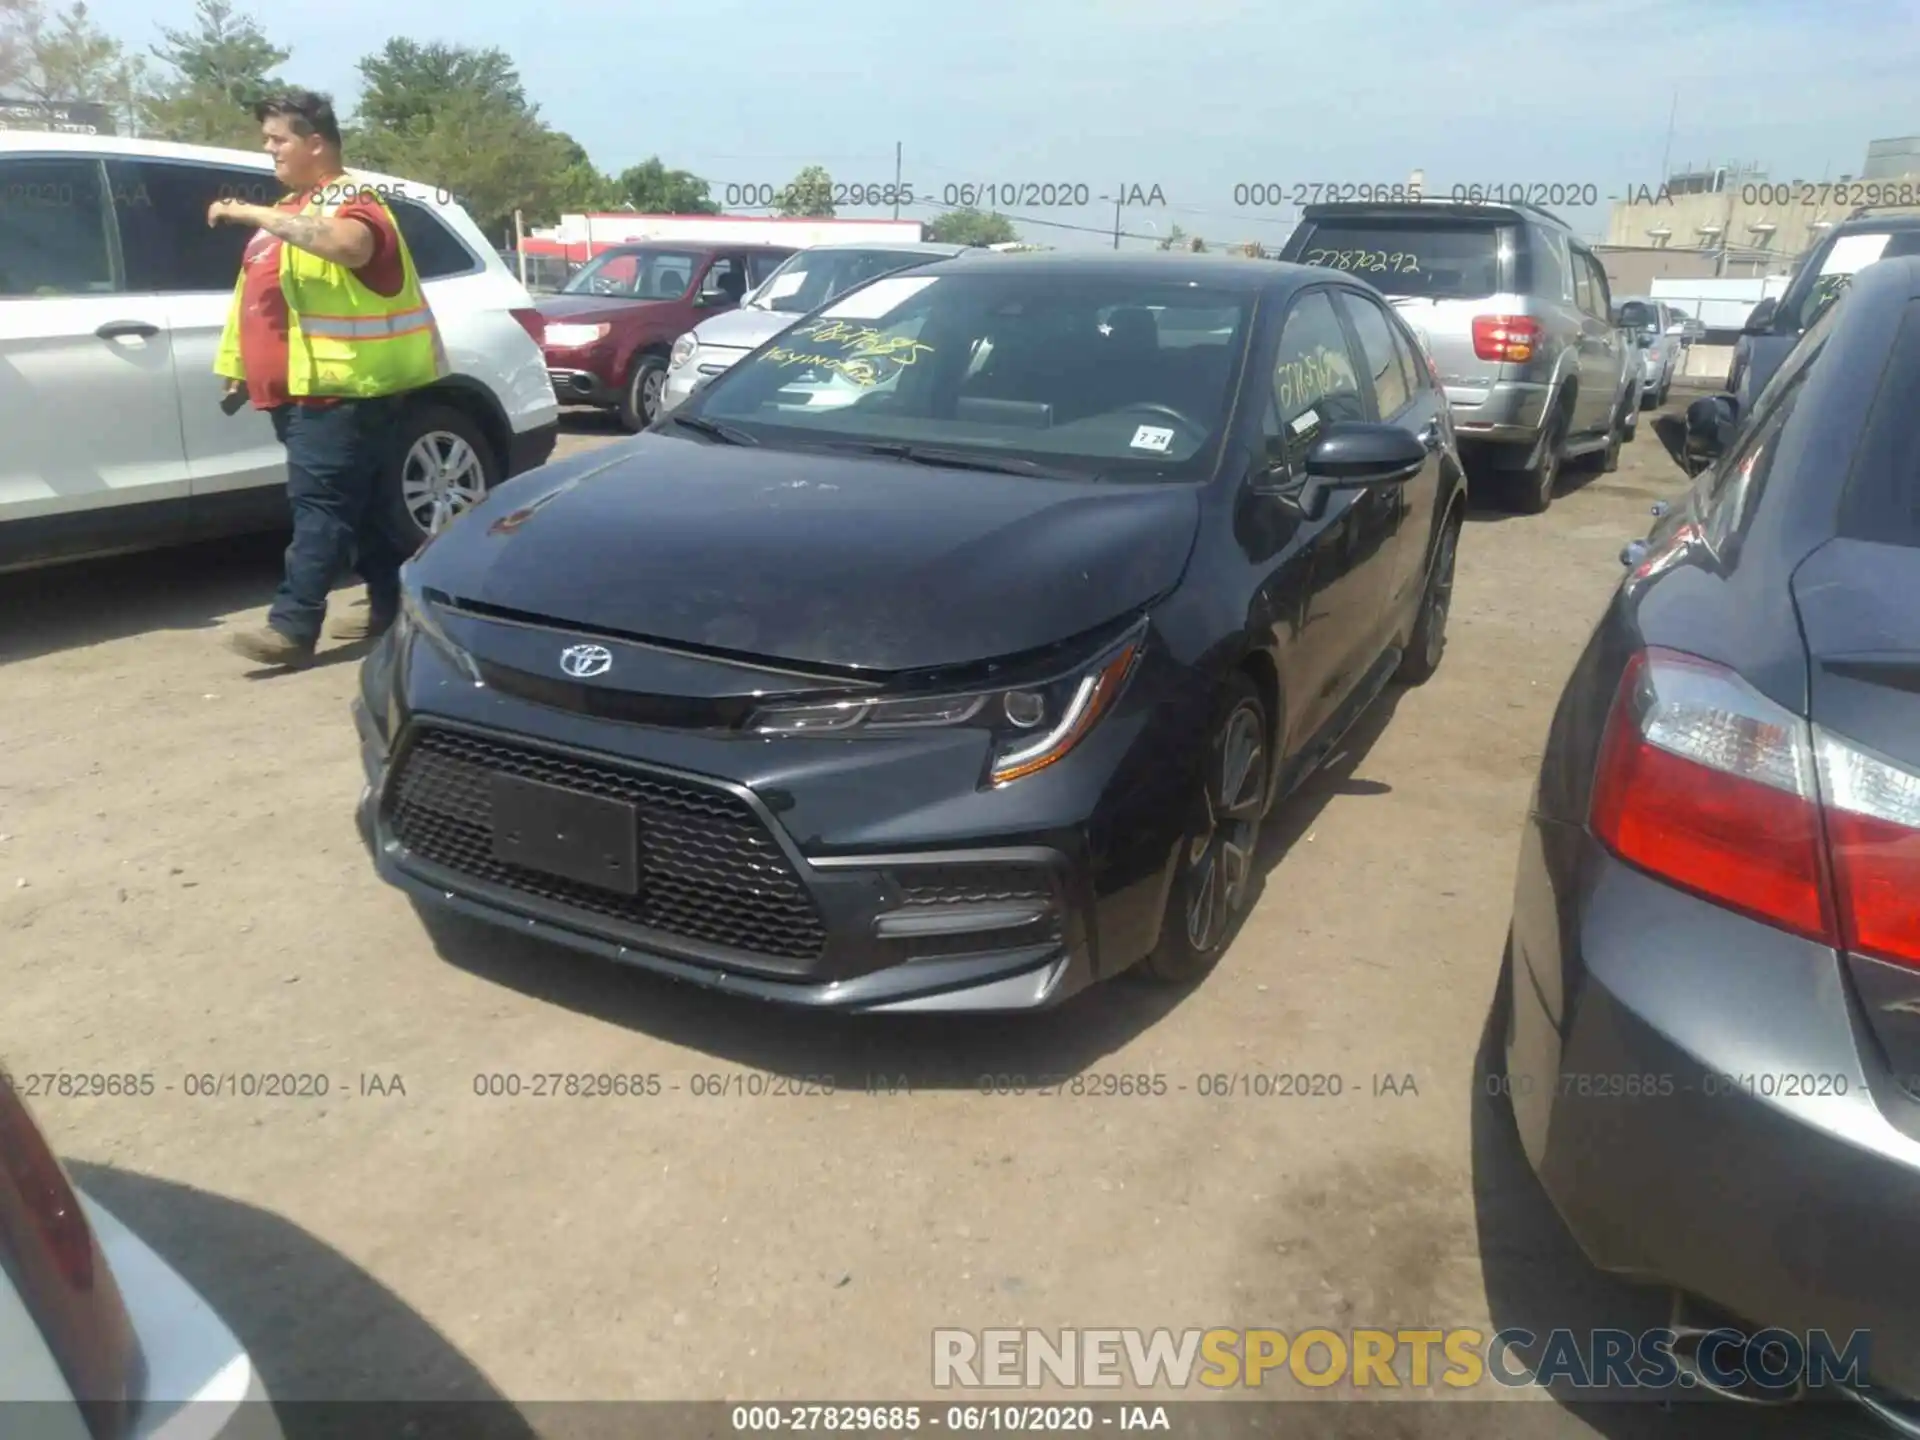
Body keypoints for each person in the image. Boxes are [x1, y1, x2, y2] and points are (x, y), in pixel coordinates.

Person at [208, 90, 446, 669]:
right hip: (296, 391)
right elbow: (260, 302)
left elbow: (349, 246)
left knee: (318, 506)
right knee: (361, 508)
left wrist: (252, 211)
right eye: (266, 139)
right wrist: (240, 369)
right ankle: (393, 605)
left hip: (342, 390)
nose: (269, 149)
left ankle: (292, 625)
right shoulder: (291, 213)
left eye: (279, 139)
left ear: (316, 144)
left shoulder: (351, 201)